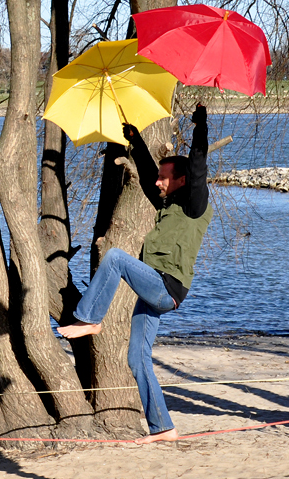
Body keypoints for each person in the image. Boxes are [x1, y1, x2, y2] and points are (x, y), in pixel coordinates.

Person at [58, 104, 213, 444]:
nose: (158, 182)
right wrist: (134, 140)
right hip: (154, 288)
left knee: (114, 258)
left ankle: (89, 318)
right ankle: (163, 427)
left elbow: (199, 166)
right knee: (137, 359)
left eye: (165, 177)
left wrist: (200, 127)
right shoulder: (169, 203)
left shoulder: (194, 202)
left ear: (181, 180)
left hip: (165, 287)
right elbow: (145, 176)